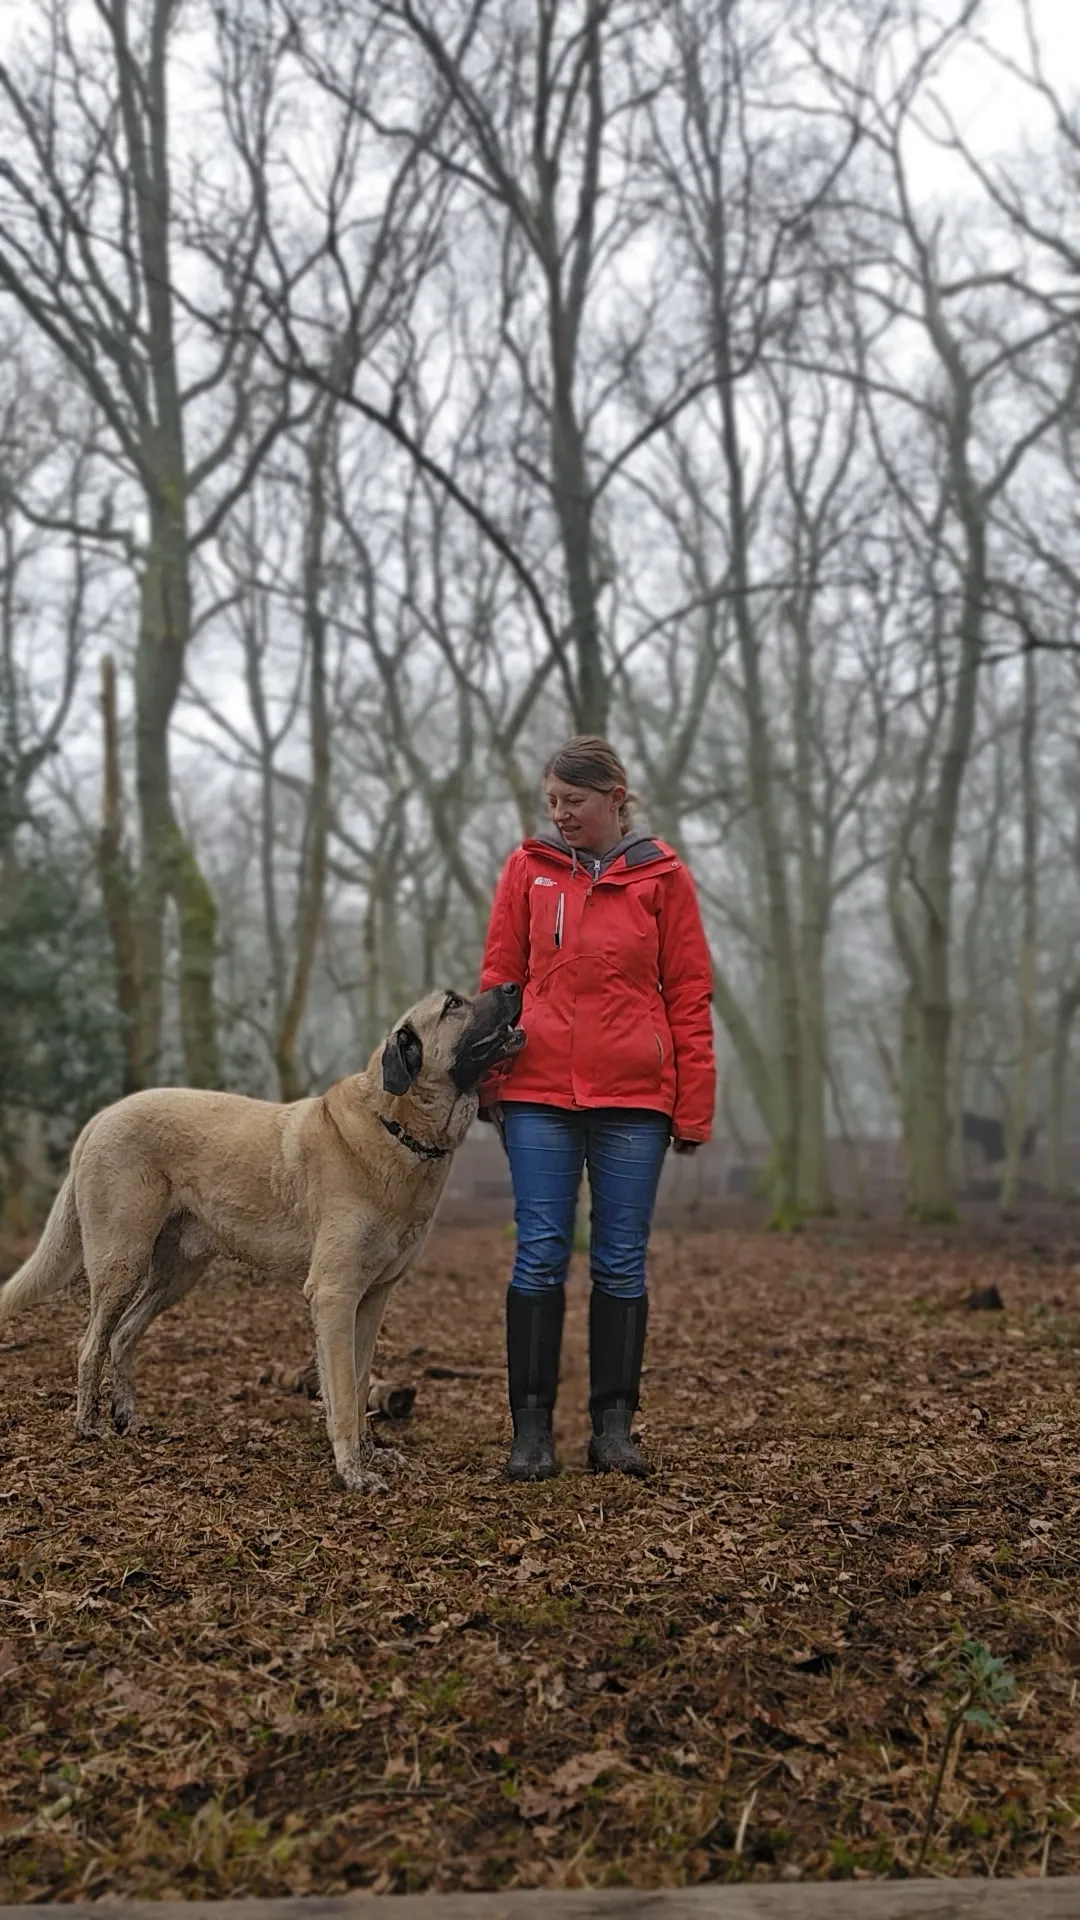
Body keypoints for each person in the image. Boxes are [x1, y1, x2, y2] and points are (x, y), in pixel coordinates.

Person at [478, 735, 715, 1482]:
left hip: (635, 1103)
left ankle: (613, 1431)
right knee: (541, 1251)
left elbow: (688, 991)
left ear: (615, 798)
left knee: (618, 1261)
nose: (560, 815)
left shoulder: (664, 878)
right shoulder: (528, 869)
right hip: (538, 1093)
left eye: (573, 802)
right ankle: (531, 1433)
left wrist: (693, 1106)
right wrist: (488, 1080)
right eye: (551, 802)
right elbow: (501, 975)